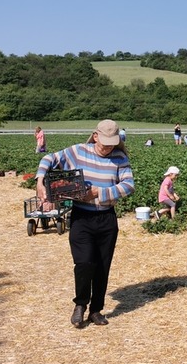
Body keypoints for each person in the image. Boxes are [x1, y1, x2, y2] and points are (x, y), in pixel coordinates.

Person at [35, 119, 134, 328]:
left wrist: (99, 192)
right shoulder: (79, 152)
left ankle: (96, 310)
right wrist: (40, 180)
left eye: (112, 143)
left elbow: (128, 186)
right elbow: (49, 158)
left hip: (106, 218)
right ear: (95, 136)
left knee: (102, 266)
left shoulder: (119, 158)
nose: (108, 147)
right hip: (82, 217)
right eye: (104, 142)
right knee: (84, 263)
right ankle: (80, 304)